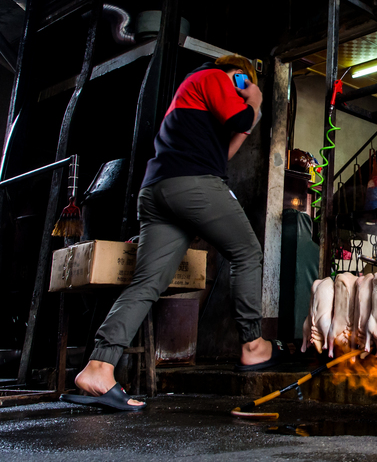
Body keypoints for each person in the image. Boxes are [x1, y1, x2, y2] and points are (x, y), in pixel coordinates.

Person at [62, 55, 283, 411]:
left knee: (147, 283)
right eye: (241, 82)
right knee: (247, 252)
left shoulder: (192, 101)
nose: (241, 89)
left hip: (157, 192)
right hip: (191, 185)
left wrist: (247, 120)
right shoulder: (212, 77)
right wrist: (253, 103)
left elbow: (223, 155)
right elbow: (239, 118)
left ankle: (98, 367)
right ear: (238, 75)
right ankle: (253, 344)